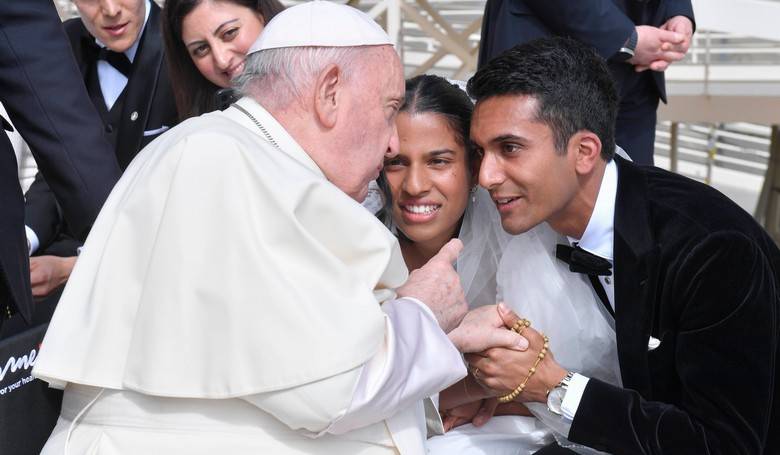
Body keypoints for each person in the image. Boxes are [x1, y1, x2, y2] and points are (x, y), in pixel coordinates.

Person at [33, 3, 524, 454]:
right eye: (389, 108)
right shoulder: (219, 159)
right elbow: (334, 389)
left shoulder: (249, 159)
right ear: (329, 92)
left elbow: (285, 372)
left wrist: (447, 349)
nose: (393, 141)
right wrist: (424, 313)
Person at [465, 36, 780, 454]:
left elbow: (725, 444)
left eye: (510, 148)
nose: (486, 177)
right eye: (480, 152)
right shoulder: (543, 224)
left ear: (584, 152)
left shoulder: (714, 250)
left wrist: (553, 387)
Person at [382, 75, 622, 454]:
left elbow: (552, 382)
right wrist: (459, 393)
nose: (414, 185)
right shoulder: (358, 241)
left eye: (439, 161)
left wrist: (476, 393)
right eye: (396, 162)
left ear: (475, 167)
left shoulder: (523, 245)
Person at [23, 0, 179, 298]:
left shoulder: (187, 44)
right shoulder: (61, 44)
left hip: (153, 273)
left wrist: (73, 268)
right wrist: (24, 238)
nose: (110, 9)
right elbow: (56, 168)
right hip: (61, 253)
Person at [478, 0, 695, 165]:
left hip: (638, 75)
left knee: (630, 198)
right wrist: (626, 40)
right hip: (547, 51)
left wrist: (677, 11)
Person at [162, 0, 284, 119]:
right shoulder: (199, 127)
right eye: (201, 48)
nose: (222, 61)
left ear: (261, 14)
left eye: (229, 33)